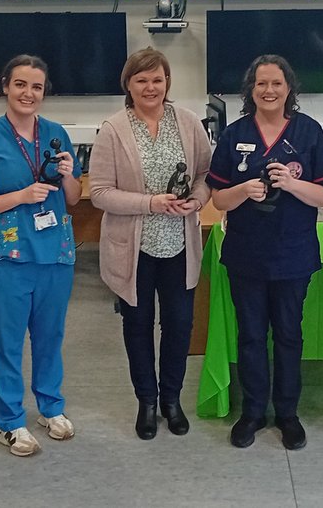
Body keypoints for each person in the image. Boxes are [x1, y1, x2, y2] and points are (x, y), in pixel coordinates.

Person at [207, 55, 323, 450]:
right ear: (250, 90)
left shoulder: (308, 132)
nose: (268, 91)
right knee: (250, 335)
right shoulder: (234, 135)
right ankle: (252, 412)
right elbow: (218, 198)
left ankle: (287, 412)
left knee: (288, 334)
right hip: (247, 254)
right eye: (261, 84)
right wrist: (243, 189)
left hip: (292, 255)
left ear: (289, 89)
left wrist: (293, 185)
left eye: (276, 84)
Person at [0, 55, 82, 457]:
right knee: (8, 342)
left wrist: (67, 174)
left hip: (55, 254)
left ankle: (51, 407)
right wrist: (19, 196)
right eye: (20, 85)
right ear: (5, 87)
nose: (28, 93)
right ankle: (10, 421)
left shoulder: (56, 133)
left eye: (36, 87)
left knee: (50, 337)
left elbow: (75, 197)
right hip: (7, 257)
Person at [90, 48, 213, 440]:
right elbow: (99, 193)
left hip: (180, 244)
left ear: (167, 83)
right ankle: (146, 401)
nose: (150, 87)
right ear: (128, 84)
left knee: (179, 325)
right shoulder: (113, 129)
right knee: (138, 326)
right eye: (141, 80)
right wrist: (150, 204)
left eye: (157, 79)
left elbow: (208, 175)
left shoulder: (189, 123)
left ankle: (171, 400)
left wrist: (196, 199)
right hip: (134, 250)